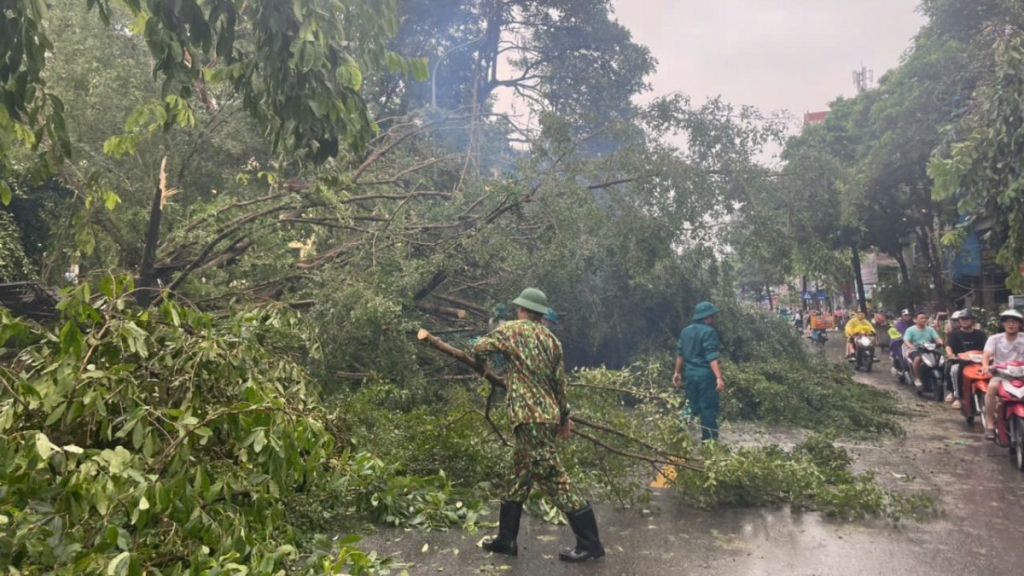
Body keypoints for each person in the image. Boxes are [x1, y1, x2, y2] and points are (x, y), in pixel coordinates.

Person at [473, 288, 604, 562]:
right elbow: (560, 384)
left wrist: (486, 368)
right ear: (540, 313)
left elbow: (479, 347)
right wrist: (564, 418)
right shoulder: (552, 341)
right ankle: (506, 541)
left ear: (522, 309)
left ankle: (591, 544)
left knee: (554, 477)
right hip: (546, 416)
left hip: (527, 418)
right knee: (518, 476)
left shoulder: (511, 330)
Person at [673, 302, 725, 441]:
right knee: (708, 409)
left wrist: (677, 373)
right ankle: (709, 443)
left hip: (690, 375)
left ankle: (673, 431)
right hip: (705, 377)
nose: (715, 319)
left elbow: (680, 354)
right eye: (714, 316)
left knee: (692, 404)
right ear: (708, 317)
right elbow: (711, 357)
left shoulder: (685, 331)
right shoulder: (709, 332)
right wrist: (719, 377)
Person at [980, 309, 1024, 440]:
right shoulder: (995, 339)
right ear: (1003, 324)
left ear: (1019, 324)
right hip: (1002, 374)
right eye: (1008, 322)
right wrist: (985, 365)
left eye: (1014, 321)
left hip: (1021, 374)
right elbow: (987, 354)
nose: (1011, 324)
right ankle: (989, 424)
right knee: (992, 388)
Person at [945, 309, 987, 409]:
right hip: (960, 361)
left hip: (978, 361)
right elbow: (948, 346)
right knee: (953, 369)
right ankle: (957, 396)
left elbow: (987, 348)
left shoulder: (980, 334)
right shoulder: (955, 334)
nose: (964, 321)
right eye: (962, 319)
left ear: (972, 320)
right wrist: (951, 355)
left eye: (967, 319)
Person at [903, 312, 944, 389]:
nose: (924, 320)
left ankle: (942, 377)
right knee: (917, 359)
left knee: (940, 358)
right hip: (916, 349)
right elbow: (906, 340)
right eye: (921, 318)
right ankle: (917, 378)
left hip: (928, 349)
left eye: (925, 318)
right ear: (915, 320)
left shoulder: (930, 329)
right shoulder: (910, 330)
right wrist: (910, 346)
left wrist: (941, 343)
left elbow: (937, 338)